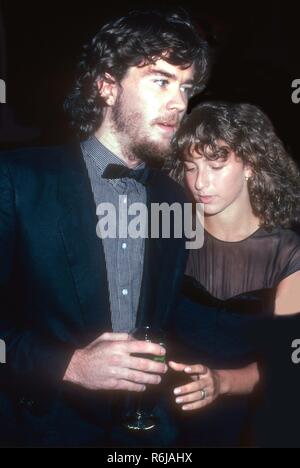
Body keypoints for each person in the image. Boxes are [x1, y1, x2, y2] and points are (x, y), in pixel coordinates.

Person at [0, 9, 209, 447]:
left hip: (146, 432)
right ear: (107, 86)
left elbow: (174, 318)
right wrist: (68, 364)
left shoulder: (177, 198)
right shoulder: (17, 180)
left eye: (186, 87)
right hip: (41, 427)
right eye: (161, 80)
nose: (179, 102)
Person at [167, 101, 300, 447]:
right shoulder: (172, 233)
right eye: (191, 167)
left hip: (241, 417)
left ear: (250, 166)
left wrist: (222, 382)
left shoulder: (288, 255)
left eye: (215, 164)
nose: (200, 182)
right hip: (162, 407)